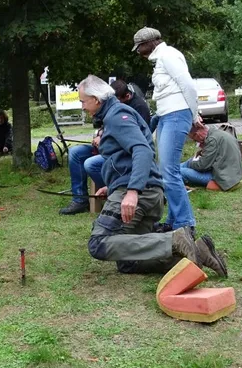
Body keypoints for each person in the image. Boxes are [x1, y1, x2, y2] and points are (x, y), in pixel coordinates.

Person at [78, 75, 227, 276]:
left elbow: (142, 150)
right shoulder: (116, 114)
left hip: (141, 193)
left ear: (96, 99)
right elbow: (126, 157)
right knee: (128, 263)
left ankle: (173, 240)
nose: (82, 107)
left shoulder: (116, 115)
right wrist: (113, 187)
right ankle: (198, 253)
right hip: (149, 193)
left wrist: (131, 191)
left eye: (83, 101)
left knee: (98, 243)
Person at [132, 27, 199, 234]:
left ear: (150, 42)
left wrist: (194, 115)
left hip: (177, 114)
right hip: (167, 115)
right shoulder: (162, 58)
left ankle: (185, 224)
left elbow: (188, 85)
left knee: (169, 173)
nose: (139, 52)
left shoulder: (169, 55)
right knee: (166, 171)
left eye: (140, 47)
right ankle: (173, 220)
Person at [58, 120, 105, 215]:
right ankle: (80, 199)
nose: (83, 108)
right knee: (75, 152)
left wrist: (104, 137)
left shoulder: (135, 107)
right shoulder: (108, 109)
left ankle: (113, 194)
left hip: (118, 153)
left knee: (90, 163)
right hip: (102, 149)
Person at [180, 121, 242, 191]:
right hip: (232, 173)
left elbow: (202, 166)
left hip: (224, 178)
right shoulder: (216, 133)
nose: (196, 142)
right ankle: (170, 168)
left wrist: (191, 163)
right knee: (187, 163)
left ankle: (170, 172)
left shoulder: (212, 140)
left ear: (197, 134)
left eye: (194, 139)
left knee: (180, 171)